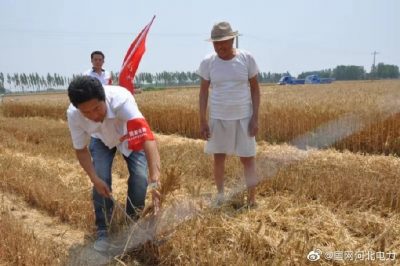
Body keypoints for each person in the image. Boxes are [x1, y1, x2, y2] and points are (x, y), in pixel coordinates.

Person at [66, 76, 161, 252]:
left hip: (128, 136)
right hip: (100, 139)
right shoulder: (73, 114)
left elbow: (147, 138)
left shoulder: (121, 100)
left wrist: (155, 180)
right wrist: (94, 178)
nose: (93, 116)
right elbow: (80, 150)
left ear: (104, 98)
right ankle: (103, 230)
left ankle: (131, 224)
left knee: (140, 177)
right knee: (101, 176)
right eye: (86, 112)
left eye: (97, 108)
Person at [198, 21, 260, 207]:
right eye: (215, 43)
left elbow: (255, 89)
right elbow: (203, 92)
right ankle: (220, 196)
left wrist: (255, 118)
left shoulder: (246, 58)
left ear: (232, 39)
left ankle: (252, 199)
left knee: (248, 159)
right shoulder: (208, 62)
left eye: (222, 42)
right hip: (218, 117)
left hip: (244, 117)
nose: (219, 47)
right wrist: (202, 120)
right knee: (219, 157)